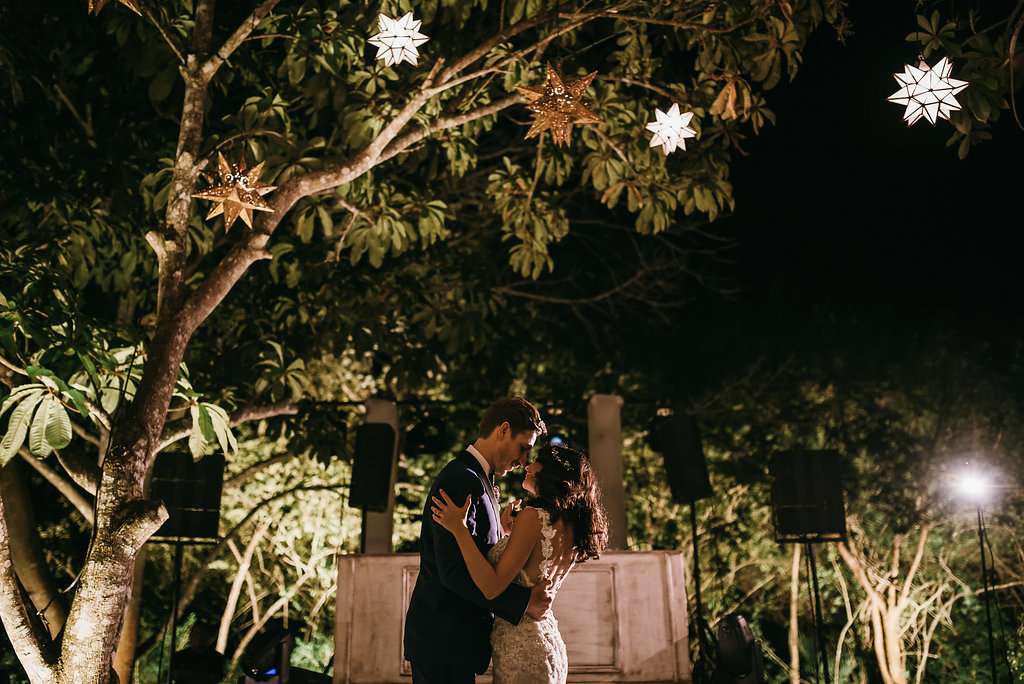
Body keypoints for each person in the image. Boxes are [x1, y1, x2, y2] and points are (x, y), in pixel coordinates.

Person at [431, 442, 609, 684]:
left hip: (523, 652)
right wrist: (506, 533)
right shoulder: (570, 525)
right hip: (548, 643)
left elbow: (492, 587)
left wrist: (459, 529)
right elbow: (528, 570)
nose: (528, 466)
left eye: (536, 462)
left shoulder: (531, 517)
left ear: (550, 473)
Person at [404, 397, 552, 684]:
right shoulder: (461, 479)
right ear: (504, 430)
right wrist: (523, 603)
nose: (523, 462)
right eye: (524, 448)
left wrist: (502, 535)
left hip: (452, 641)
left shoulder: (477, 477)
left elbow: (474, 550)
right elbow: (452, 571)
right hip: (443, 639)